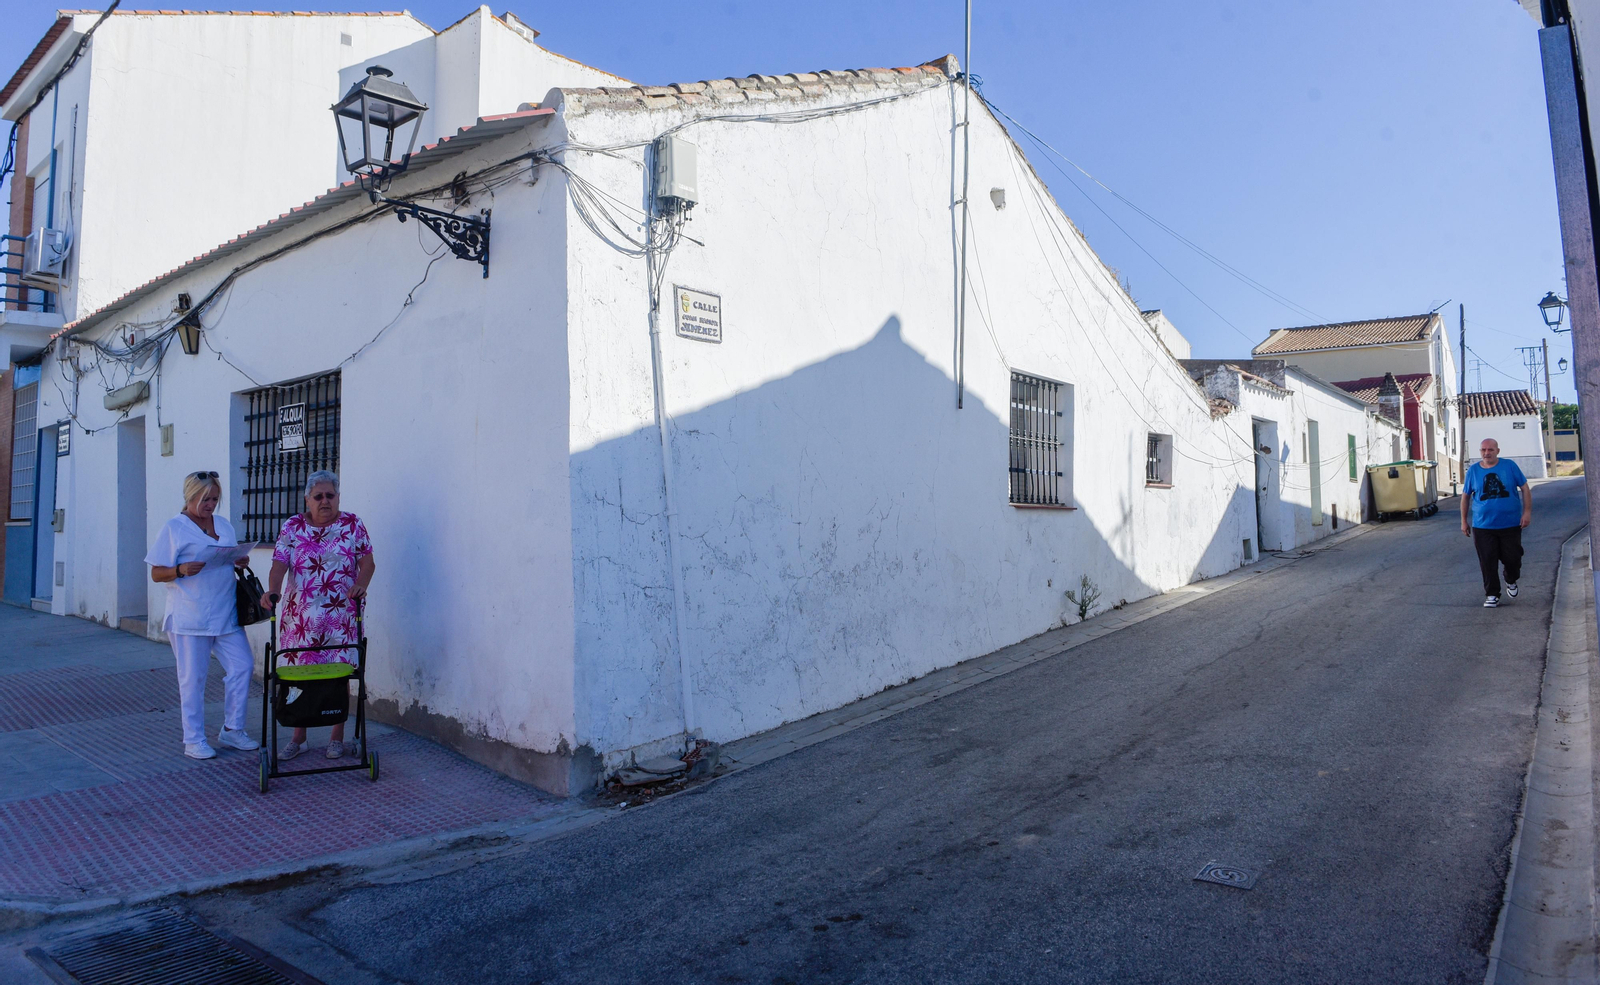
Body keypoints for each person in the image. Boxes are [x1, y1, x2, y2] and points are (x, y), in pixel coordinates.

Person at [261, 470, 375, 761]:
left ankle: (336, 738)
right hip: (300, 620)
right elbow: (279, 565)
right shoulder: (293, 526)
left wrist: (361, 584)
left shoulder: (352, 524)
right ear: (307, 500)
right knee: (299, 676)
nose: (325, 501)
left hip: (341, 615)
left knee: (339, 675)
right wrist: (272, 591)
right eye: (319, 496)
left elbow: (367, 562)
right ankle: (299, 737)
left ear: (337, 497)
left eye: (330, 495)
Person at [146, 471, 260, 759]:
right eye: (204, 499)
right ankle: (193, 739)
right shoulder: (175, 528)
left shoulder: (223, 525)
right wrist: (180, 570)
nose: (210, 504)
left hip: (226, 614)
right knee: (193, 679)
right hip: (190, 616)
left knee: (243, 666)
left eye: (214, 499)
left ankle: (232, 730)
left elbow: (228, 559)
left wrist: (238, 560)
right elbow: (156, 572)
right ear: (190, 496)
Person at [1461, 437, 1532, 608]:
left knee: (1513, 558)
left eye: (1490, 450)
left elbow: (1524, 488)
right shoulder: (1473, 471)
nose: (1486, 453)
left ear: (1497, 451)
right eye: (1483, 450)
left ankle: (1511, 578)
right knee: (1487, 561)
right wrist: (1464, 521)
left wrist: (1527, 512)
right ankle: (1492, 594)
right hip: (1483, 526)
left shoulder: (1509, 466)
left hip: (1510, 524)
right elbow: (1465, 496)